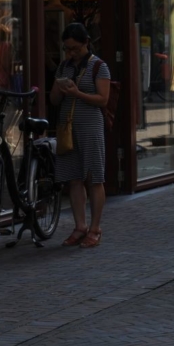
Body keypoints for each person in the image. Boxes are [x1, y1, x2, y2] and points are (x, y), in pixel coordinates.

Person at [51, 23, 111, 249]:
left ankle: (95, 228)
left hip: (91, 126)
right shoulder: (64, 66)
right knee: (74, 178)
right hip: (68, 128)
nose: (71, 53)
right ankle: (80, 227)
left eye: (75, 48)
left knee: (94, 177)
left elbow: (103, 99)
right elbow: (53, 100)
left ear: (86, 43)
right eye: (67, 49)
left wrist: (77, 93)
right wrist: (59, 89)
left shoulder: (99, 66)